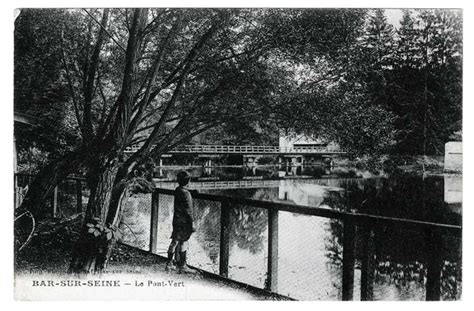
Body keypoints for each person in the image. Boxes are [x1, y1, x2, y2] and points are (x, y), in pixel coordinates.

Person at [165, 171, 195, 273]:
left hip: (177, 220)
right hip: (185, 222)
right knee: (184, 242)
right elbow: (189, 211)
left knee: (174, 241)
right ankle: (183, 265)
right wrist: (192, 223)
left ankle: (169, 264)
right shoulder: (187, 194)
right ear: (188, 181)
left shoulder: (177, 190)